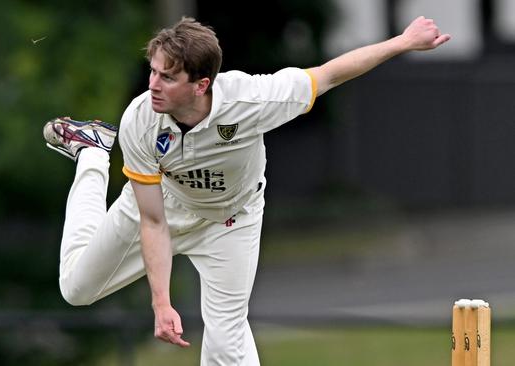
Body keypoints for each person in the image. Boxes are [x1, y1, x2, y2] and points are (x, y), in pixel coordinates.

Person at [42, 16, 450, 365]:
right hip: (160, 203)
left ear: (201, 84)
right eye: (153, 71)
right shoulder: (140, 119)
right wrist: (162, 304)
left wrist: (404, 41)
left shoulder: (251, 100)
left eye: (168, 76)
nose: (153, 85)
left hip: (228, 221)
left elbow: (329, 74)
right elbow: (152, 220)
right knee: (77, 289)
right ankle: (93, 152)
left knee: (226, 341)